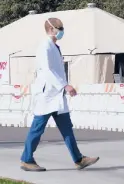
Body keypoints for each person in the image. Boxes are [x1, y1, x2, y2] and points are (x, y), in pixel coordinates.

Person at [20, 18, 99, 172]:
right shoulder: (45, 46)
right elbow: (47, 70)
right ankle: (26, 159)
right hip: (47, 95)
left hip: (56, 95)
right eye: (59, 28)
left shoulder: (54, 46)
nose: (62, 30)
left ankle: (79, 159)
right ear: (51, 29)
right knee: (37, 128)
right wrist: (65, 85)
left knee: (67, 128)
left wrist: (63, 87)